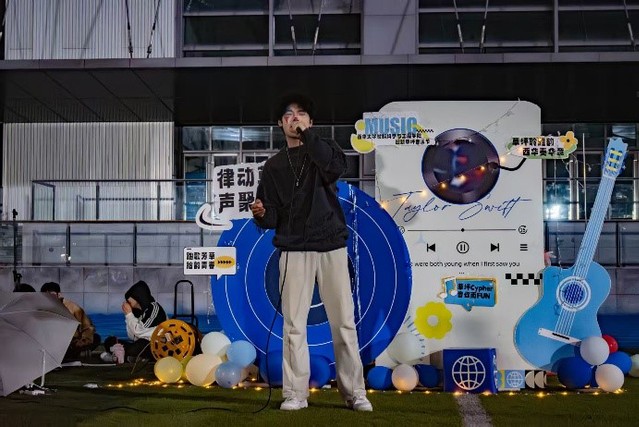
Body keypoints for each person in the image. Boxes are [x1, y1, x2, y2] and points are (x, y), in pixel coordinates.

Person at [250, 93, 372, 412]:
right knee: (293, 326)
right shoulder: (273, 166)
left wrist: (308, 136)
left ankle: (355, 392)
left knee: (344, 323)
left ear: (310, 121)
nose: (294, 118)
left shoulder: (324, 149)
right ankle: (295, 394)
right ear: (280, 123)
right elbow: (271, 217)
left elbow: (335, 168)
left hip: (331, 245)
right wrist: (261, 212)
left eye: (301, 114)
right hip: (293, 249)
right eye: (288, 115)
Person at [104, 280, 166, 362]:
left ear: (138, 296)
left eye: (130, 297)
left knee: (136, 347)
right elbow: (132, 336)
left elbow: (140, 331)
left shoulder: (154, 308)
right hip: (139, 341)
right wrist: (128, 316)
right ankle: (123, 355)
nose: (127, 300)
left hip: (154, 344)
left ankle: (121, 356)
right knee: (109, 341)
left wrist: (129, 314)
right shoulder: (138, 311)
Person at [40, 282, 100, 361]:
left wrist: (82, 342)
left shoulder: (74, 308)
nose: (49, 298)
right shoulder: (41, 308)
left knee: (96, 338)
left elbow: (87, 328)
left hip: (71, 343)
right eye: (46, 296)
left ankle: (74, 354)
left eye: (52, 295)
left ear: (59, 295)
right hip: (50, 343)